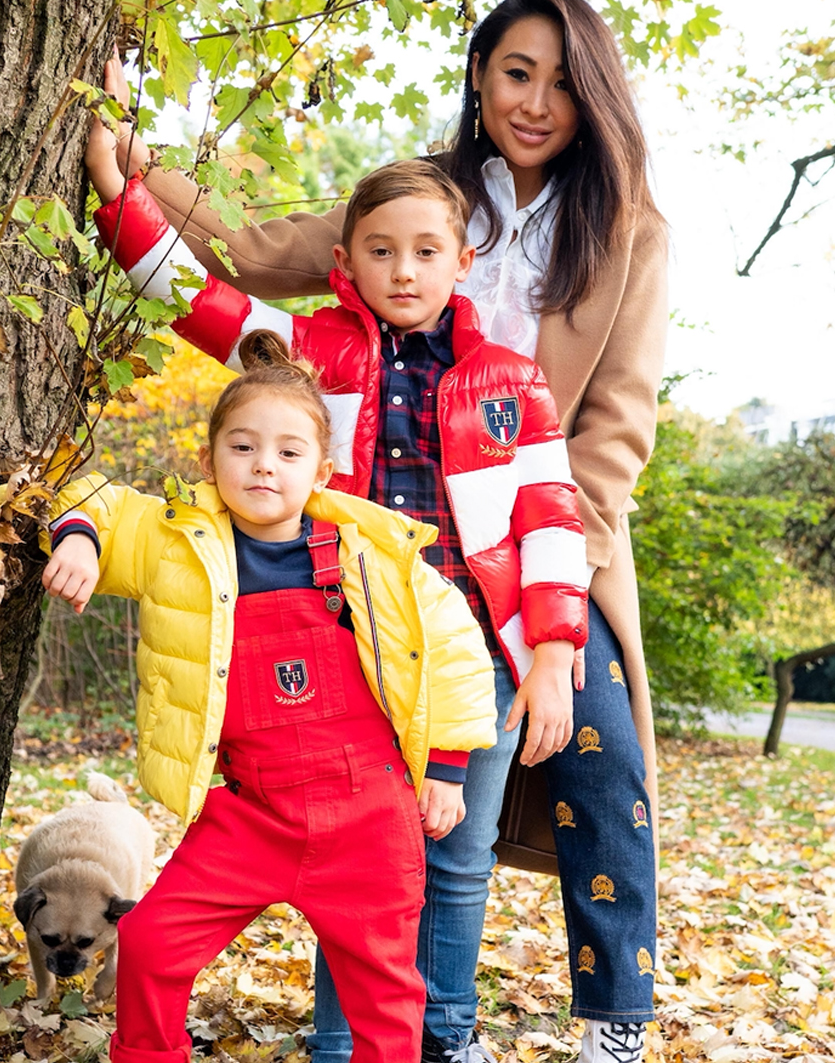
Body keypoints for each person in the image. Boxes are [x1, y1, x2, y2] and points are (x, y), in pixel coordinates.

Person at [85, 0, 665, 1057]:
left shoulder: (600, 263)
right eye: (517, 73)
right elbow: (232, 272)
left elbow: (592, 449)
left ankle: (603, 1018)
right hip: (359, 608)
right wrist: (127, 172)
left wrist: (550, 632)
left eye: (564, 82)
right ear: (482, 74)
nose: (537, 102)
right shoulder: (368, 280)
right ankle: (353, 1039)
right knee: (368, 836)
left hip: (523, 571)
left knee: (588, 766)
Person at [40, 357, 497, 1063]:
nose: (263, 466)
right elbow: (93, 495)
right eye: (242, 446)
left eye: (288, 452)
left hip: (367, 815)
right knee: (152, 942)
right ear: (209, 456)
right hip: (250, 810)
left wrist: (448, 764)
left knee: (384, 996)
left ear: (321, 470)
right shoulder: (178, 543)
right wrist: (77, 535)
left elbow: (457, 648)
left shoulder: (371, 555)